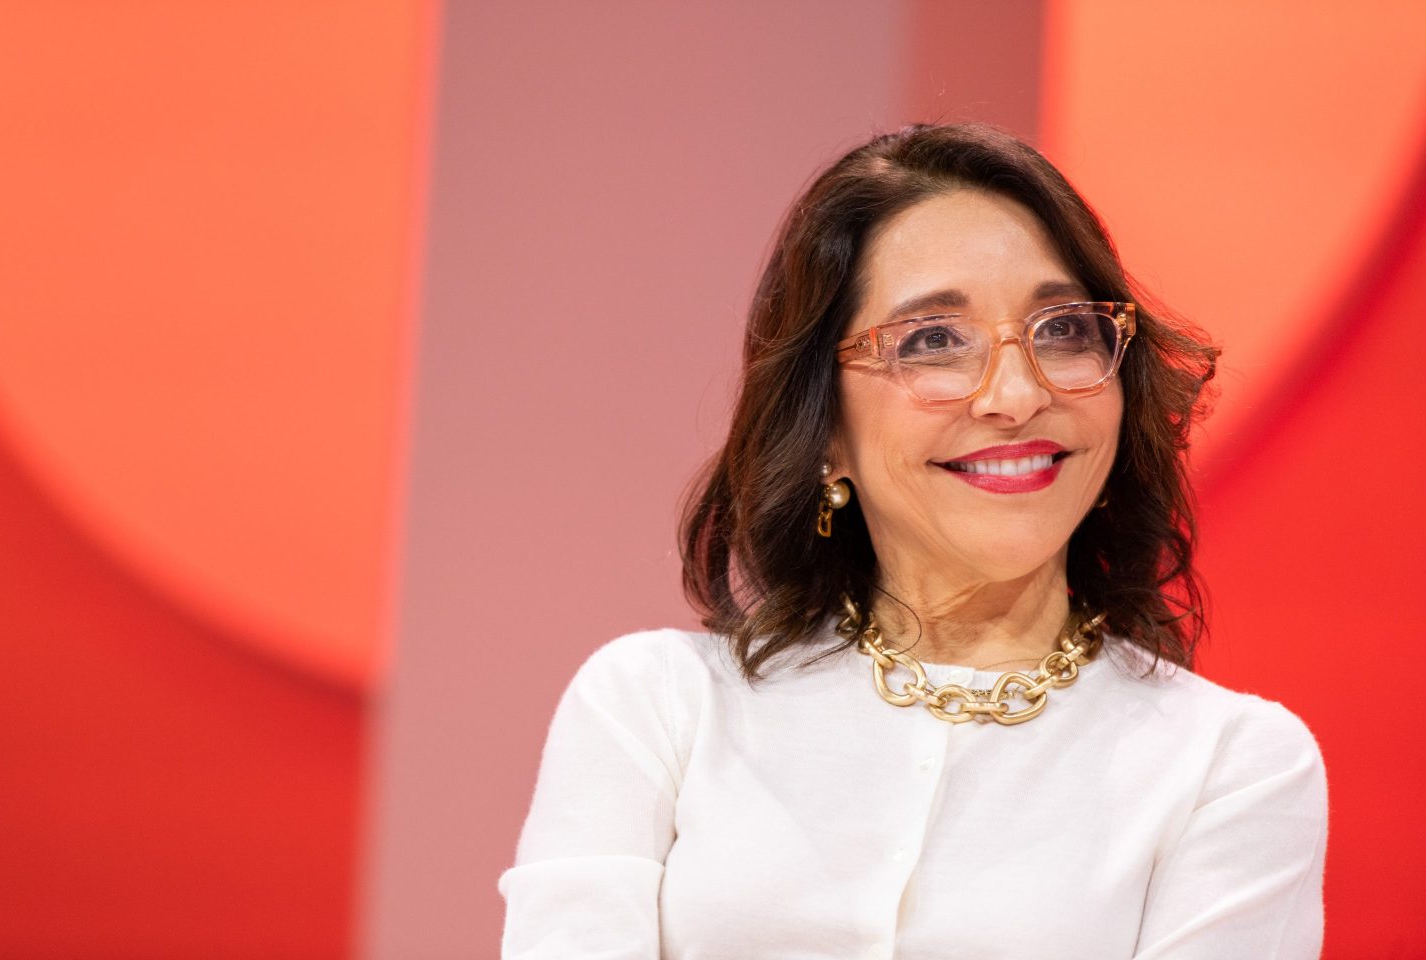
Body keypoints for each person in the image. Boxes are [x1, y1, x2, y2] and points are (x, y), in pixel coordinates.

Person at [498, 124, 1327, 959]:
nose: (1014, 395)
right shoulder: (658, 708)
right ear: (825, 428)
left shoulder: (1230, 767)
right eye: (933, 341)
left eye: (1064, 329)